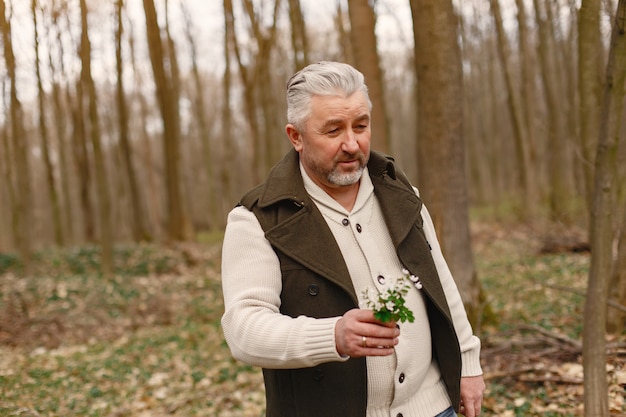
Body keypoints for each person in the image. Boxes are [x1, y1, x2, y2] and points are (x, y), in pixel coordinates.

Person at [221, 61, 485, 417]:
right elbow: (244, 330)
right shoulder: (257, 218)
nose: (351, 143)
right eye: (333, 131)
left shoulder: (401, 192)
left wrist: (468, 364)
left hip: (434, 406)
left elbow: (441, 284)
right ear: (296, 136)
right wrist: (333, 335)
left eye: (361, 126)